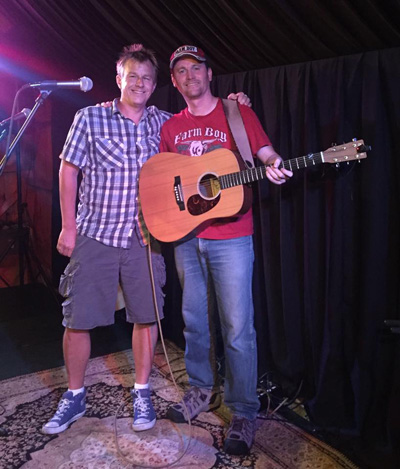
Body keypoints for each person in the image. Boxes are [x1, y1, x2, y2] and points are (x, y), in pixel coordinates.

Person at [42, 43, 251, 435]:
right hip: (96, 234)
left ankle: (141, 392)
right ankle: (74, 395)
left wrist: (236, 105)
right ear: (119, 79)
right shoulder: (89, 118)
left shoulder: (165, 124)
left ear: (155, 85)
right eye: (132, 77)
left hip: (145, 238)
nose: (139, 84)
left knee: (145, 316)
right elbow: (68, 171)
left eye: (146, 79)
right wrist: (68, 227)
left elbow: (202, 123)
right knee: (78, 320)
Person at [160, 45, 293, 455]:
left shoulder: (237, 112)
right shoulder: (171, 127)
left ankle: (243, 410)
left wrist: (274, 163)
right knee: (194, 322)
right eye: (181, 71)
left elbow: (265, 151)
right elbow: (167, 180)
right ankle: (201, 390)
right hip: (188, 238)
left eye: (195, 68)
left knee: (237, 328)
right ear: (174, 81)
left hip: (232, 237)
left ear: (209, 73)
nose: (190, 76)